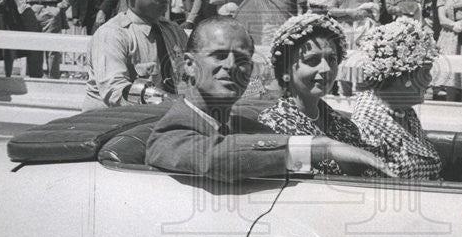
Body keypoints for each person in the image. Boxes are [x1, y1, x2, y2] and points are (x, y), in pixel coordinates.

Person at [145, 18, 386, 182]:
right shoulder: (169, 134)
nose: (230, 67)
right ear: (188, 64)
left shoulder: (251, 128)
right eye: (219, 56)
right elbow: (218, 157)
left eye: (241, 59)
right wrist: (320, 147)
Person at [258, 14, 367, 174]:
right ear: (286, 67)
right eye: (312, 60)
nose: (326, 69)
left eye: (332, 59)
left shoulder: (347, 127)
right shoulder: (271, 126)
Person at [83, 0, 187, 109]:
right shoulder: (112, 34)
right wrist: (167, 100)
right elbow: (115, 91)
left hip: (159, 122)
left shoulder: (174, 31)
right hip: (113, 127)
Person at [351, 20, 443, 180]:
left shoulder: (402, 110)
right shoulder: (367, 129)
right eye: (425, 72)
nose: (430, 80)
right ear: (402, 76)